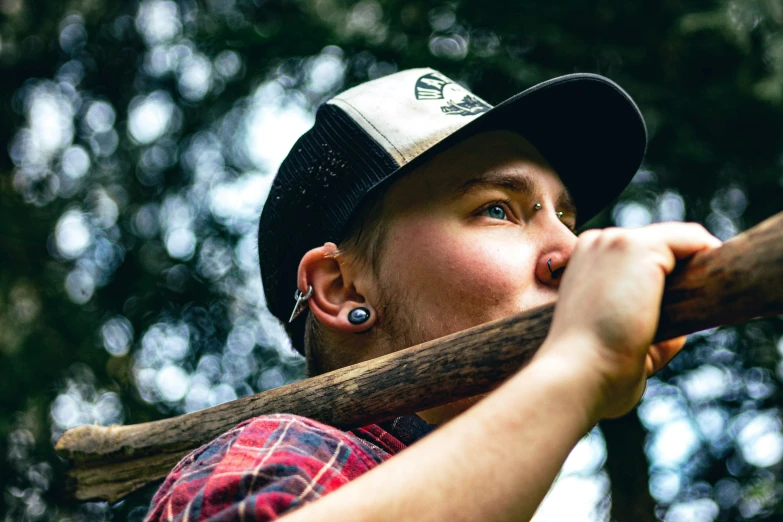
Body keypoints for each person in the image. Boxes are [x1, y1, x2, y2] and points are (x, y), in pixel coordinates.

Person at [144, 68, 721, 521]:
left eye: (566, 217)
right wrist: (584, 363)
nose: (572, 249)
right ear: (342, 288)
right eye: (498, 209)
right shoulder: (287, 453)